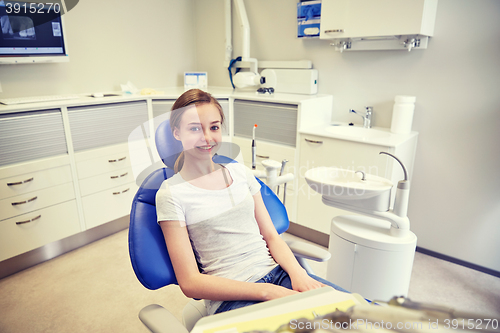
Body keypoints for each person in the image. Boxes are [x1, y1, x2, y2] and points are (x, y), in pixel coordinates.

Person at [156, 89, 347, 315]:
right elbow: (190, 282)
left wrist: (299, 275)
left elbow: (271, 236)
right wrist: (266, 292)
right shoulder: (171, 194)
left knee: (359, 317)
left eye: (214, 127)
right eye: (195, 128)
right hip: (232, 299)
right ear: (177, 133)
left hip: (279, 275)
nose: (207, 137)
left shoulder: (241, 173)